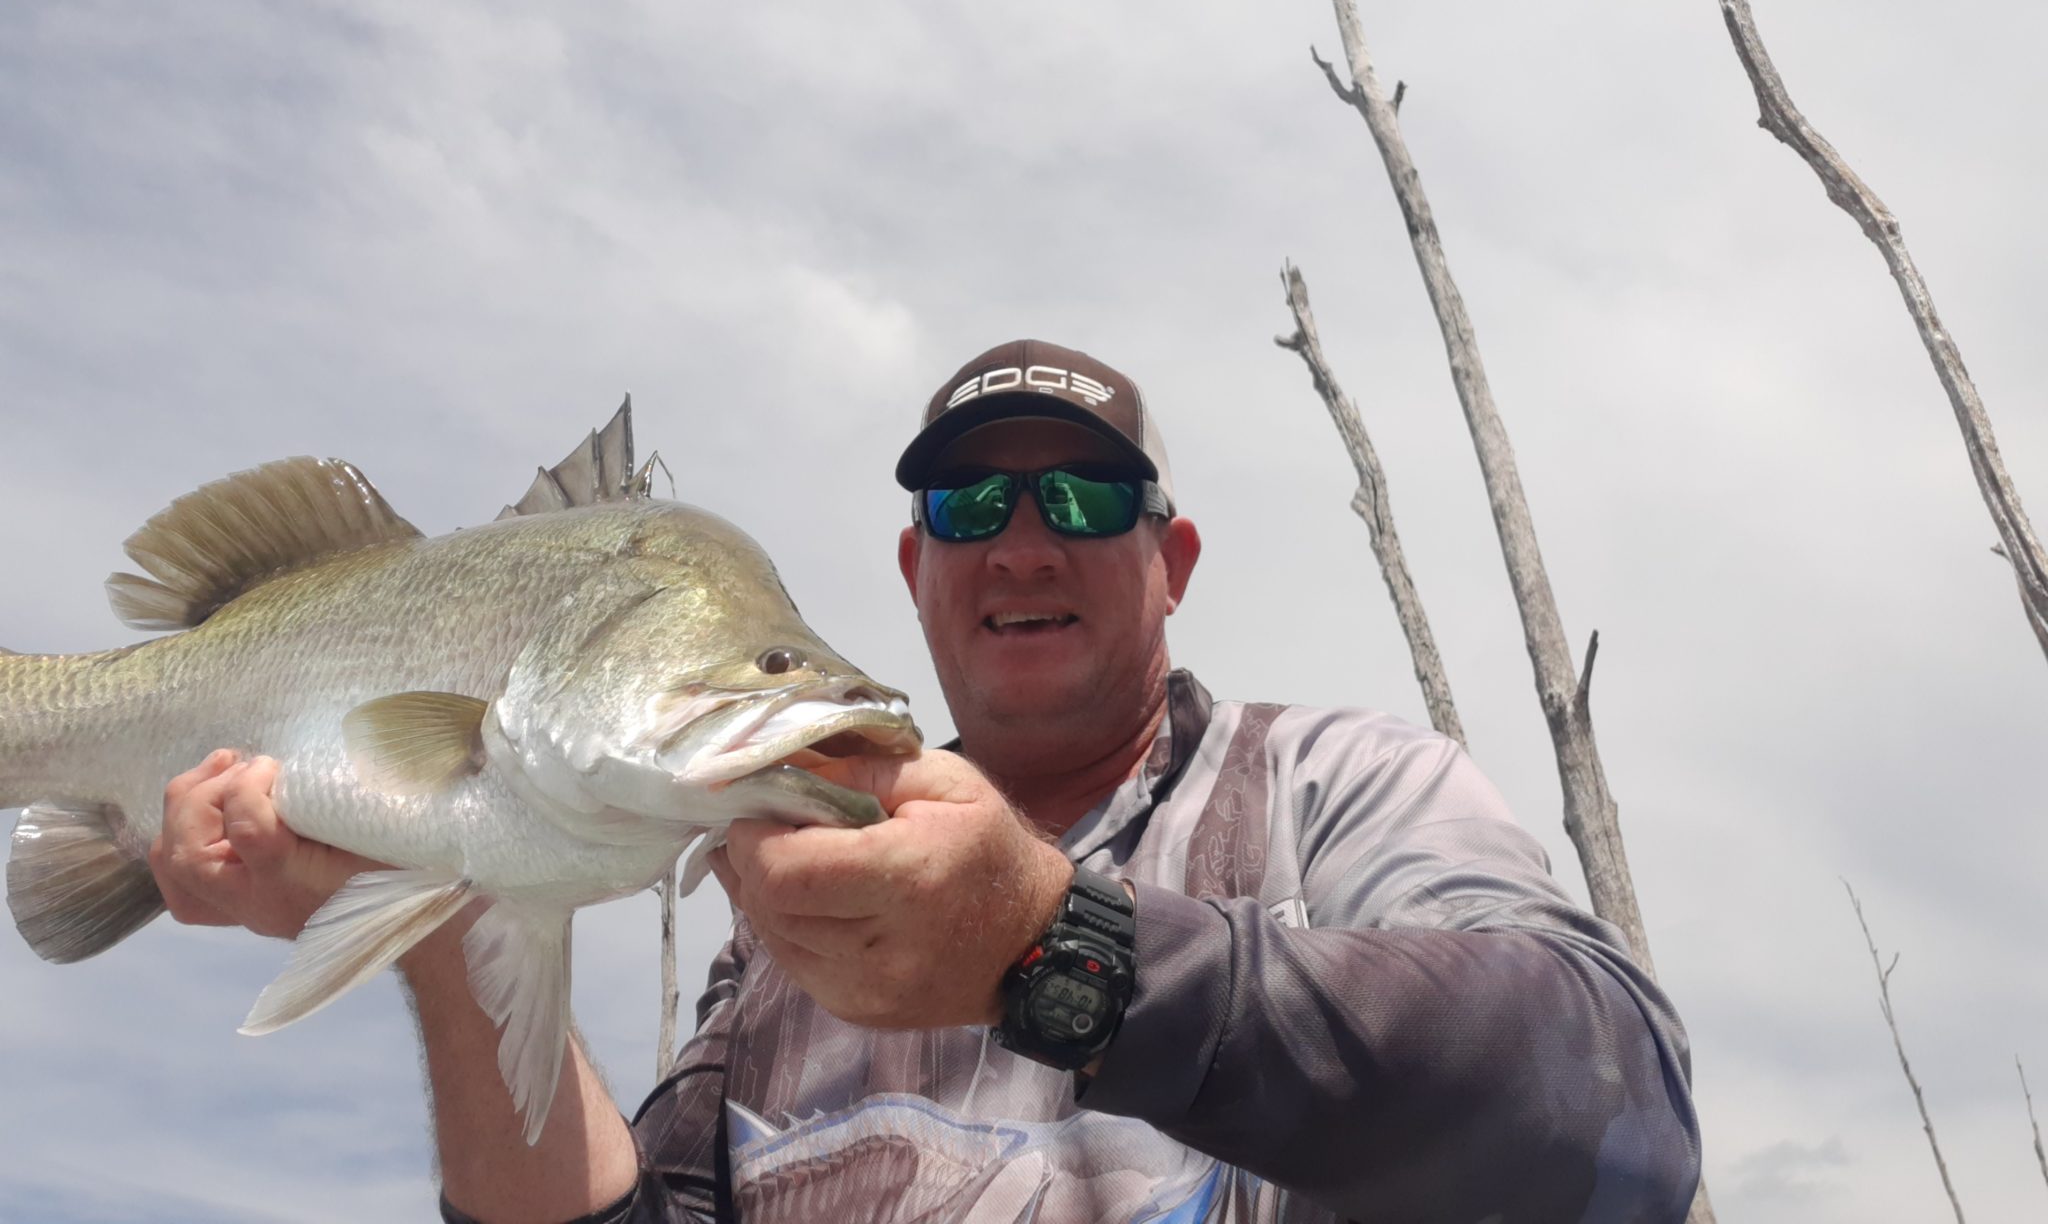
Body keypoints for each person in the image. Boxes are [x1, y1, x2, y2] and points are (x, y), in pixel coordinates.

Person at [151, 339, 1702, 1223]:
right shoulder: (793, 910)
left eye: (1083, 495)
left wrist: (1056, 955)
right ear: (916, 569)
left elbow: (1617, 1112)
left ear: (1171, 566)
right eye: (970, 505)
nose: (1023, 541)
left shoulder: (1333, 786)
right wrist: (437, 921)